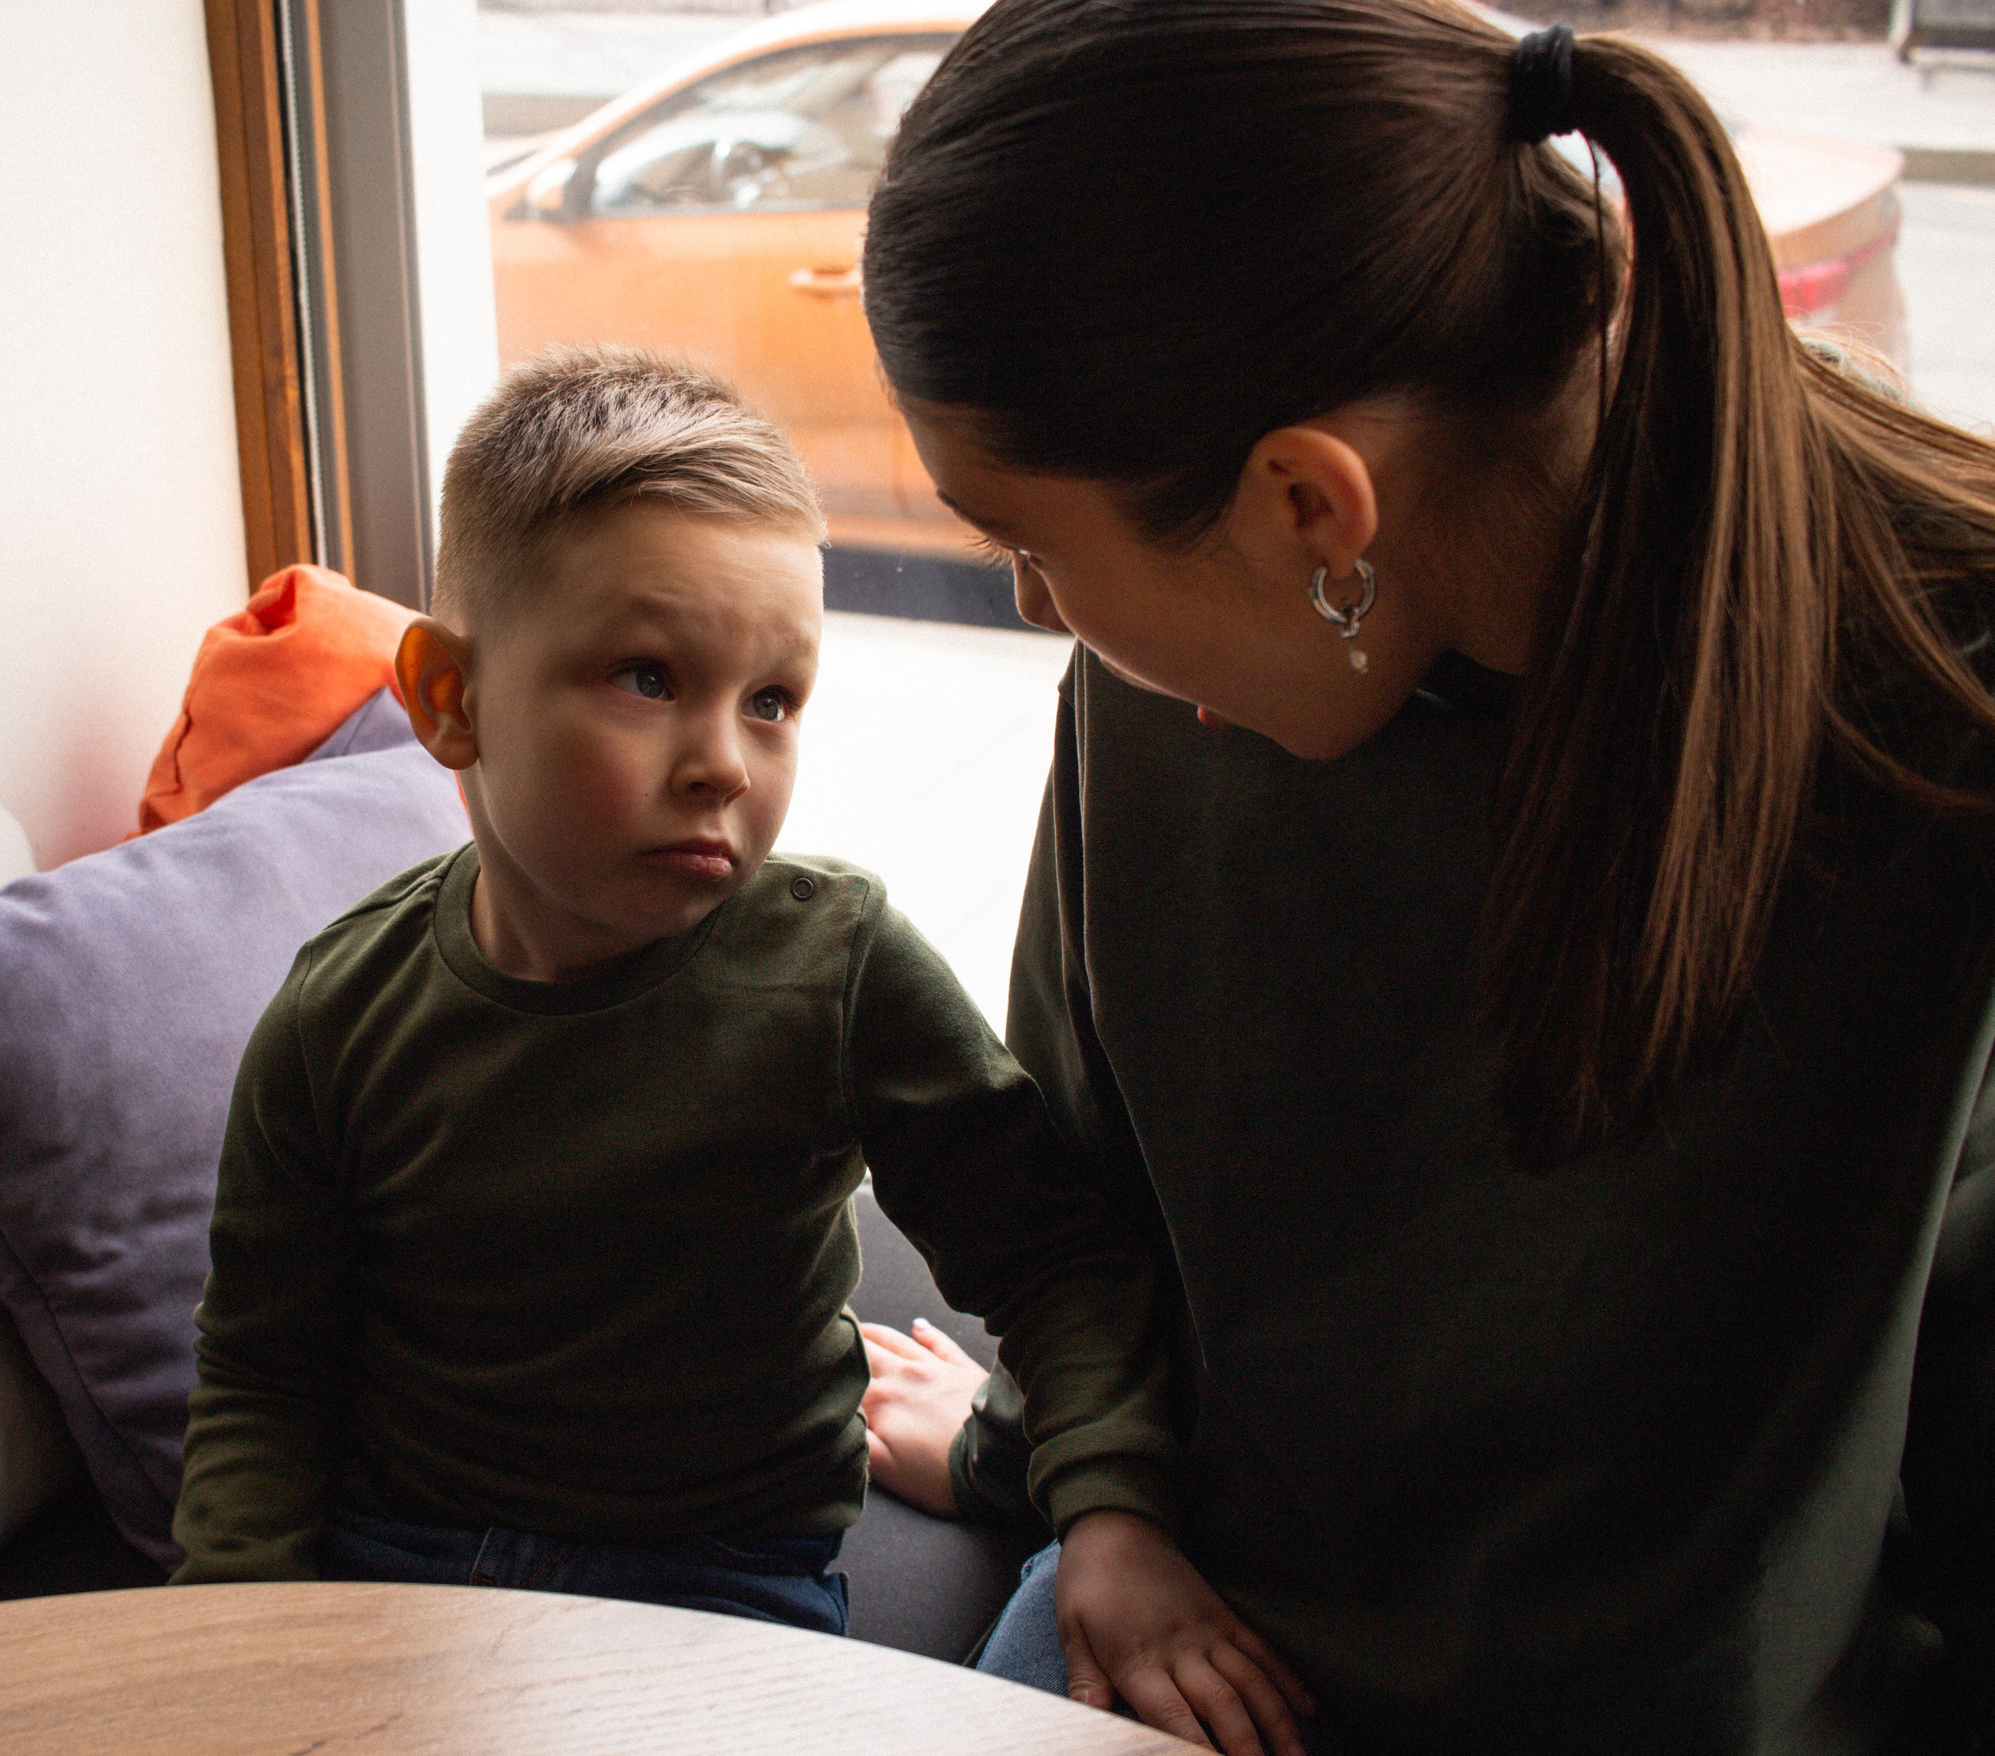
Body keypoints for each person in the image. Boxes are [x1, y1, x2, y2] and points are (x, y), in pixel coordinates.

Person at [850, 1, 1995, 1753]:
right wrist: (1074, 1470)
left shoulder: (1947, 721)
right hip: (1196, 1637)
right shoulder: (1187, 657)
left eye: (1027, 545)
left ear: (1310, 508)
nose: (1034, 605)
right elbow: (1085, 1193)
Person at [168, 350, 1163, 1636]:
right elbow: (262, 1370)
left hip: (717, 1576)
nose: (724, 765)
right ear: (452, 699)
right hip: (400, 1552)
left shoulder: (840, 969)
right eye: (648, 678)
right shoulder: (340, 1012)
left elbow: (1054, 1263)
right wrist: (234, 1628)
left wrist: (1111, 1511)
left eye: (771, 700)